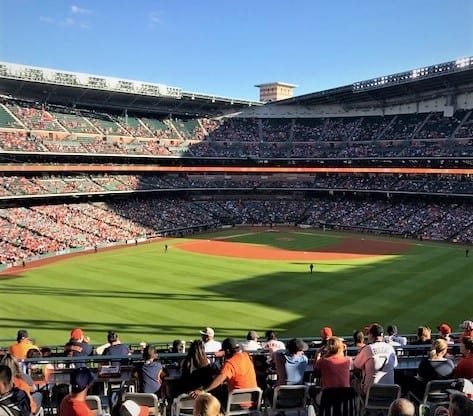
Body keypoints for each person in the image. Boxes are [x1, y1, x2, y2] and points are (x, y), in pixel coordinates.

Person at [189, 338, 258, 404]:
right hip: (252, 400)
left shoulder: (230, 363)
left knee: (212, 398)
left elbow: (220, 379)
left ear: (227, 351)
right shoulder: (246, 356)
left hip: (237, 403)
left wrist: (203, 391)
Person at [353, 324, 398, 396]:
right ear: (382, 335)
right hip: (390, 391)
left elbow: (356, 365)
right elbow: (395, 365)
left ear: (371, 335)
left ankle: (358, 406)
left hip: (370, 392)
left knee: (354, 382)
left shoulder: (368, 348)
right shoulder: (390, 348)